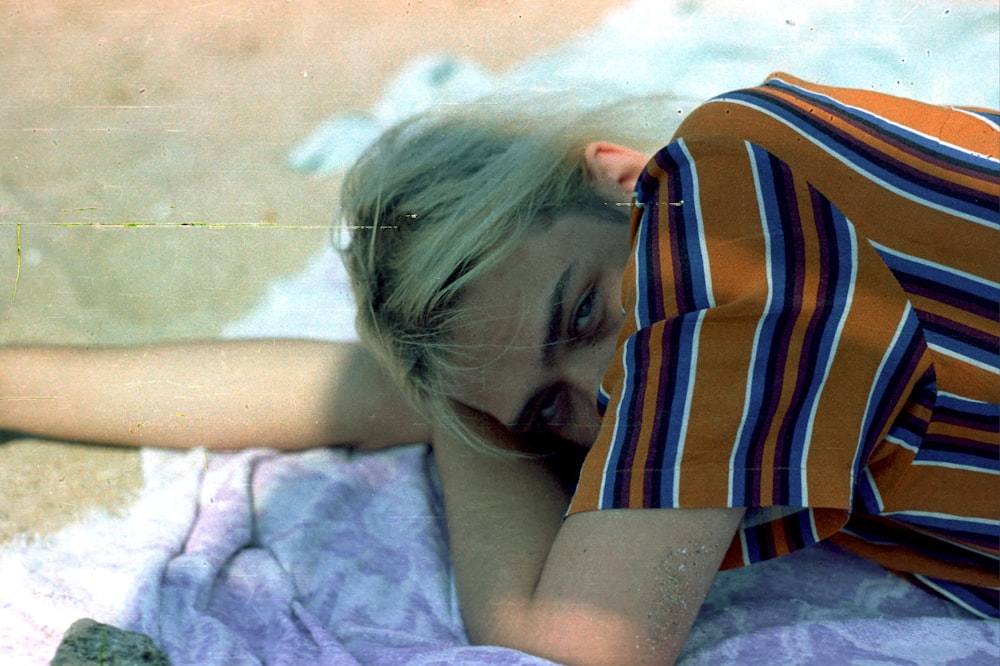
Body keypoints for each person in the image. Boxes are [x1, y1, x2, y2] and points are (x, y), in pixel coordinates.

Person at [2, 73, 997, 666]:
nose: (607, 392)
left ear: (618, 172)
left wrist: (472, 419)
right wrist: (464, 396)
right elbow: (360, 396)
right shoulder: (761, 175)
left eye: (579, 313)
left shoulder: (739, 225)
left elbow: (576, 642)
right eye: (548, 412)